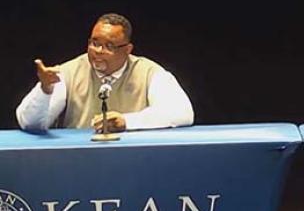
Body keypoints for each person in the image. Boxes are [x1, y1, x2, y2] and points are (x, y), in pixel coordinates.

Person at [16, 13, 194, 132]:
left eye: (109, 46)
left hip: (135, 161)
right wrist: (45, 90)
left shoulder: (149, 73)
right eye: (94, 43)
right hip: (77, 161)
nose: (98, 51)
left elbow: (182, 112)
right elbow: (29, 123)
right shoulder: (67, 72)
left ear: (127, 50)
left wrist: (127, 122)